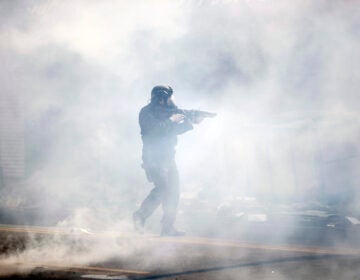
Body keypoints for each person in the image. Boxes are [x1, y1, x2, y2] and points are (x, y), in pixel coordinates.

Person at [133, 85, 203, 236]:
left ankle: (167, 227)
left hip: (168, 158)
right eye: (169, 97)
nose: (172, 100)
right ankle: (140, 216)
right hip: (153, 158)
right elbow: (155, 131)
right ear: (161, 98)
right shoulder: (146, 113)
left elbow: (172, 131)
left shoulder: (167, 113)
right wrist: (172, 120)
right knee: (163, 189)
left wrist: (190, 123)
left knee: (174, 192)